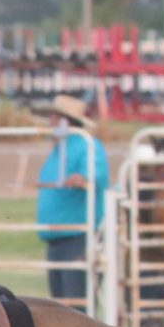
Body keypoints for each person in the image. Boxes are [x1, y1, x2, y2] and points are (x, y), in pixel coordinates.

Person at [35, 95, 108, 306]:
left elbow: (97, 173)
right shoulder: (61, 149)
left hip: (77, 236)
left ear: (64, 121)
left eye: (54, 117)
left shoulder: (85, 144)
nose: (50, 123)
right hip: (59, 237)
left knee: (75, 305)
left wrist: (84, 178)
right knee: (62, 304)